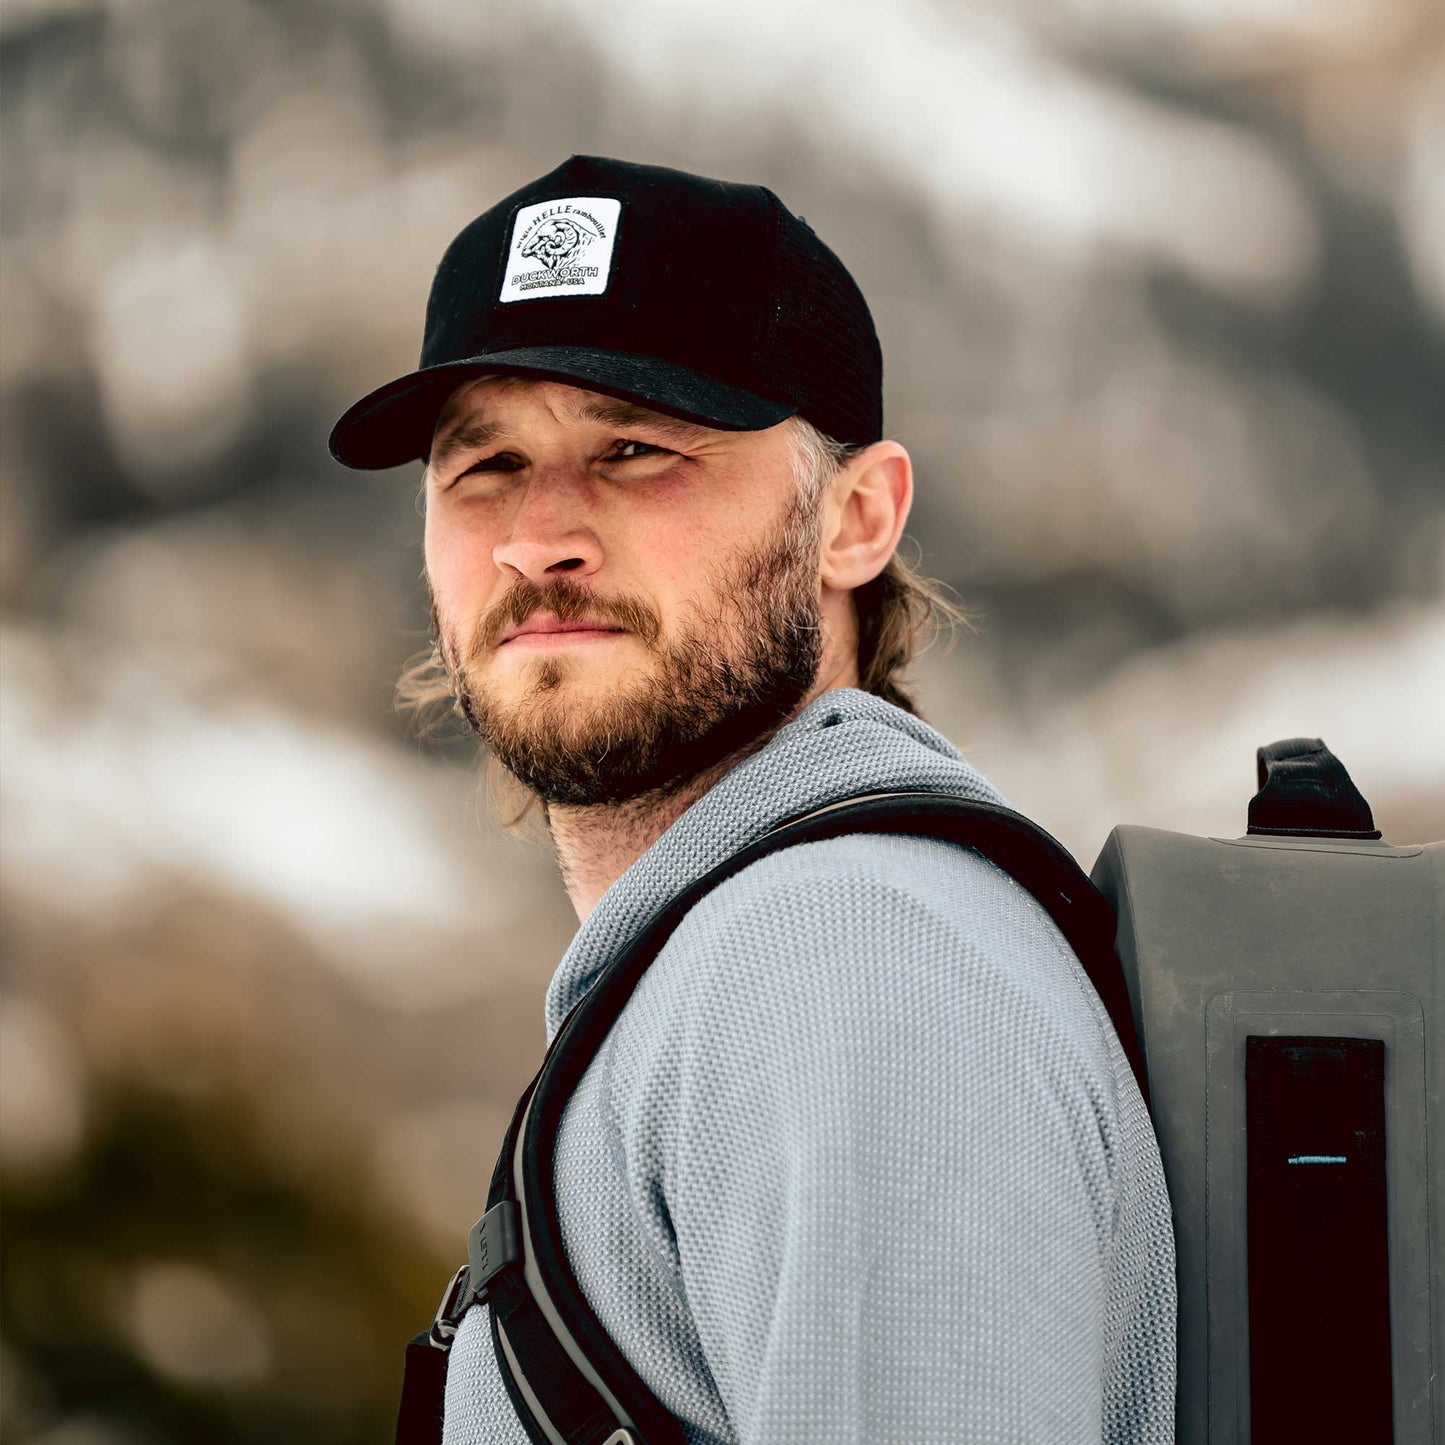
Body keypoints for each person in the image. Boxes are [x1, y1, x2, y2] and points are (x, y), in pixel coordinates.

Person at [329, 155, 1177, 1445]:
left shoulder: (848, 957)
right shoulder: (758, 951)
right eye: (481, 464)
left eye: (636, 447)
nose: (537, 533)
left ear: (855, 517)